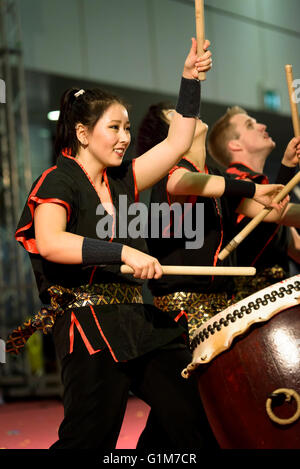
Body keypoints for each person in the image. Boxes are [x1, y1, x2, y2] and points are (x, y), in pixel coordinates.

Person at [6, 38, 222, 450]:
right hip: (87, 325)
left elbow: (177, 143)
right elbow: (51, 242)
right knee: (89, 438)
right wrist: (122, 251)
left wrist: (189, 80)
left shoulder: (122, 179)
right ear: (83, 134)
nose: (124, 137)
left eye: (127, 127)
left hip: (137, 321)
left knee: (191, 414)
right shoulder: (58, 180)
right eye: (114, 128)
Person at [136, 103, 300, 339]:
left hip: (223, 313)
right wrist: (251, 189)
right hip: (181, 319)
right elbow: (181, 182)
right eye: (174, 114)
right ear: (168, 137)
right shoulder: (170, 172)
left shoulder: (216, 176)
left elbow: (272, 212)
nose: (187, 112)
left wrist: (287, 166)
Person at [207, 106, 300, 299]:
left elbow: (296, 246)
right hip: (250, 307)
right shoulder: (233, 184)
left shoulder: (263, 187)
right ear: (235, 145)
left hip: (279, 303)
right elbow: (277, 211)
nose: (262, 126)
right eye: (250, 125)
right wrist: (287, 166)